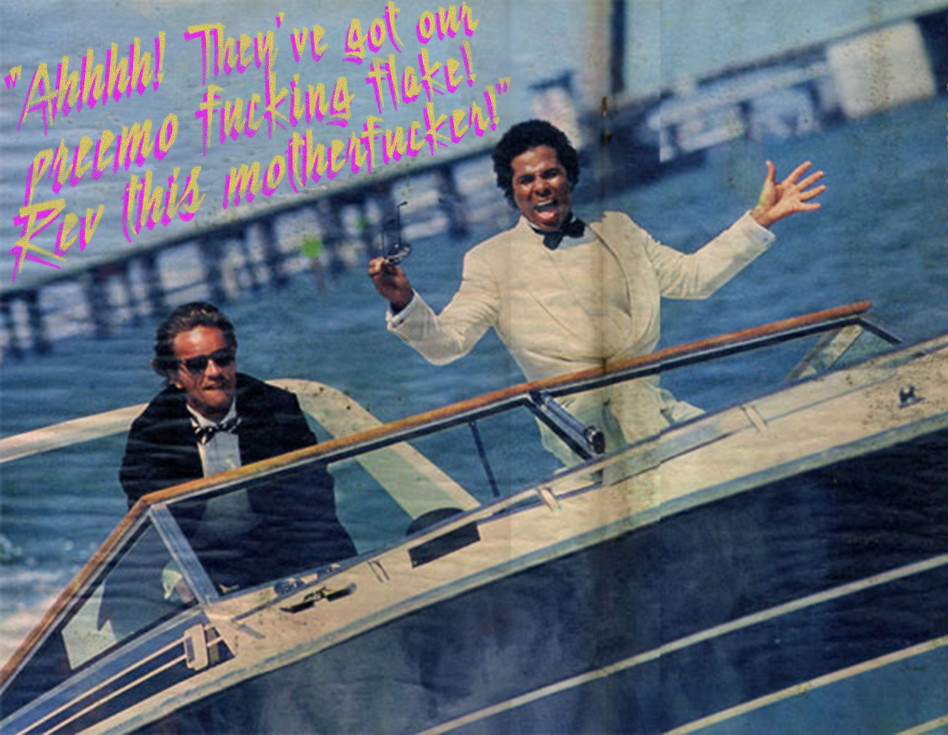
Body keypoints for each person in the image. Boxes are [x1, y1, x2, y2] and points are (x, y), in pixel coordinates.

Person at [368, 119, 825, 462]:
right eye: (526, 180)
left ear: (569, 176)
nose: (540, 188)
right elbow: (447, 345)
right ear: (512, 191)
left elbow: (694, 278)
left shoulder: (619, 229)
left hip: (658, 414)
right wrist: (403, 301)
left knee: (772, 452)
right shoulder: (489, 261)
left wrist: (760, 219)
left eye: (550, 174)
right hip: (587, 446)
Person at [119, 301, 356, 590]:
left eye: (223, 358)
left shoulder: (276, 407)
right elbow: (150, 533)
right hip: (204, 565)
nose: (214, 372)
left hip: (285, 550)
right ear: (174, 376)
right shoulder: (151, 433)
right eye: (197, 365)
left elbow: (314, 505)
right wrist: (182, 579)